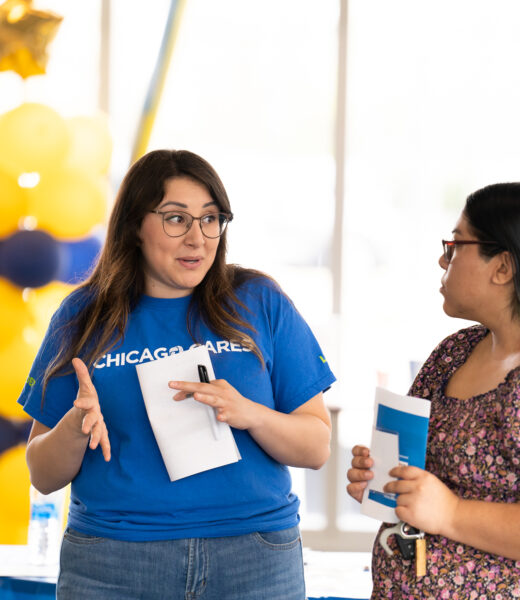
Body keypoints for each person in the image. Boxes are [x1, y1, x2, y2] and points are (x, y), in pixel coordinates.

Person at [18, 149, 335, 600]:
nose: (197, 238)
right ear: (134, 226)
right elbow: (42, 474)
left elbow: (317, 446)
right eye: (175, 219)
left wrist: (250, 414)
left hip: (253, 558)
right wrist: (74, 427)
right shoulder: (82, 316)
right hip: (114, 561)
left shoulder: (259, 301)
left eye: (210, 219)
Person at [346, 182, 520, 598]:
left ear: (503, 266)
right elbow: (429, 477)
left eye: (455, 245)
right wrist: (384, 479)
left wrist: (452, 514)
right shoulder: (455, 351)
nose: (442, 259)